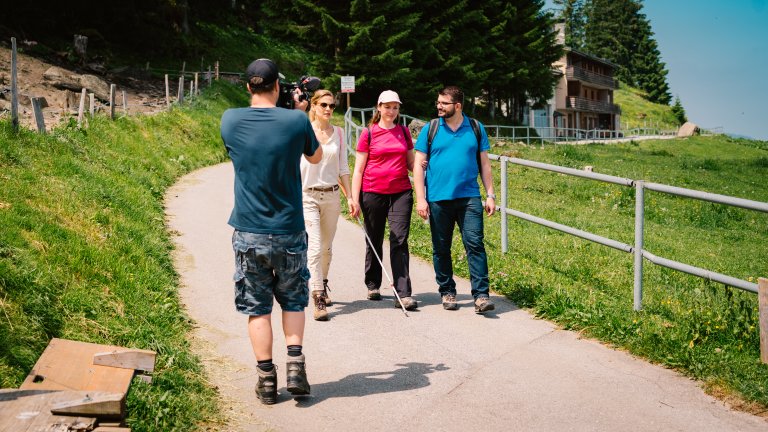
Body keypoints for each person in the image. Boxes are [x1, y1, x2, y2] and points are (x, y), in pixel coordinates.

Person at [220, 58, 322, 405]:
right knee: (293, 299)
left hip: (249, 229)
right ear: (278, 86)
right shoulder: (296, 120)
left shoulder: (229, 120)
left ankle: (266, 380)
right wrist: (299, 110)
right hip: (289, 228)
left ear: (249, 86)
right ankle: (296, 367)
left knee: (257, 307)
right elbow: (316, 157)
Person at [413, 85, 497, 314]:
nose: (439, 106)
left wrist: (490, 194)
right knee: (441, 247)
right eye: (438, 102)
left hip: (469, 197)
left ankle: (481, 295)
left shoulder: (475, 127)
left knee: (475, 245)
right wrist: (421, 199)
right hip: (438, 198)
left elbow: (485, 164)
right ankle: (447, 291)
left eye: (444, 103)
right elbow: (418, 166)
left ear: (457, 106)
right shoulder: (430, 129)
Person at [349, 90, 417, 310]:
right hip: (372, 191)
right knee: (374, 238)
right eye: (387, 107)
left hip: (400, 192)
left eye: (395, 107)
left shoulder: (404, 132)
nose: (391, 111)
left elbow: (411, 164)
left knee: (399, 239)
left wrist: (426, 170)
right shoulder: (369, 133)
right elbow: (358, 170)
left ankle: (403, 293)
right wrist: (354, 199)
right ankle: (373, 284)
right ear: (379, 108)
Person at [301, 89, 352, 321]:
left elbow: (343, 168)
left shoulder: (339, 133)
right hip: (307, 196)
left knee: (326, 248)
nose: (328, 109)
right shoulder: (303, 131)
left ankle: (323, 280)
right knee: (314, 246)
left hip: (331, 196)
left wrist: (350, 196)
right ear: (313, 106)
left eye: (331, 105)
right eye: (323, 105)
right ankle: (318, 297)